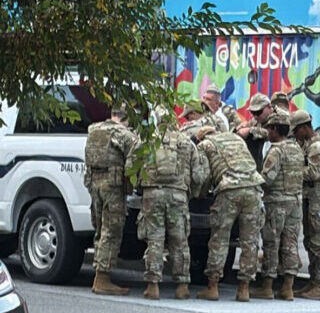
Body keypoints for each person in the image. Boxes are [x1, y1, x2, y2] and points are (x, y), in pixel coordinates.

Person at [126, 108, 207, 300]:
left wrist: (139, 185)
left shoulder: (145, 140)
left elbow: (130, 167)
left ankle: (153, 286)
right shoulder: (185, 142)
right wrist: (192, 193)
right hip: (178, 196)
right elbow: (199, 174)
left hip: (152, 194)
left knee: (154, 240)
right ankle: (182, 286)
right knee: (179, 241)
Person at [195, 126, 265, 302]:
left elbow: (203, 177)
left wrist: (200, 194)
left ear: (201, 138)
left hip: (229, 190)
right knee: (250, 241)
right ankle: (244, 289)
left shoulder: (205, 145)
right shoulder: (236, 139)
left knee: (220, 239)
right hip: (254, 188)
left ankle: (212, 287)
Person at [250, 112, 304, 301]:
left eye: (268, 129)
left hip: (277, 202)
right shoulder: (297, 148)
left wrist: (252, 178)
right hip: (295, 202)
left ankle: (267, 286)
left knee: (272, 243)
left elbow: (268, 178)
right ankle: (288, 287)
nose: (267, 133)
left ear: (274, 129)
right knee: (290, 244)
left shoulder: (276, 150)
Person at [84, 104, 135, 295]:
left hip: (94, 184)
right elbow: (135, 158)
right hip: (113, 188)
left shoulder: (94, 129)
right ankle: (102, 279)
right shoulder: (123, 134)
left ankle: (98, 275)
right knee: (111, 231)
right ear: (126, 117)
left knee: (100, 229)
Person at [291, 110, 320, 300]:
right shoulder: (309, 144)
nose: (295, 135)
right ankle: (314, 281)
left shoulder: (317, 146)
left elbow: (314, 173)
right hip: (311, 196)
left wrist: (292, 171)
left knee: (319, 241)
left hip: (318, 196)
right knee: (310, 240)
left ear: (304, 128)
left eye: (296, 131)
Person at [235, 93, 273, 171]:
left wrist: (250, 130)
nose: (255, 116)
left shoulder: (280, 117)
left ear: (269, 107)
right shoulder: (257, 120)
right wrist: (243, 128)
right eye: (253, 112)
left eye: (258, 112)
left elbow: (275, 134)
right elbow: (249, 126)